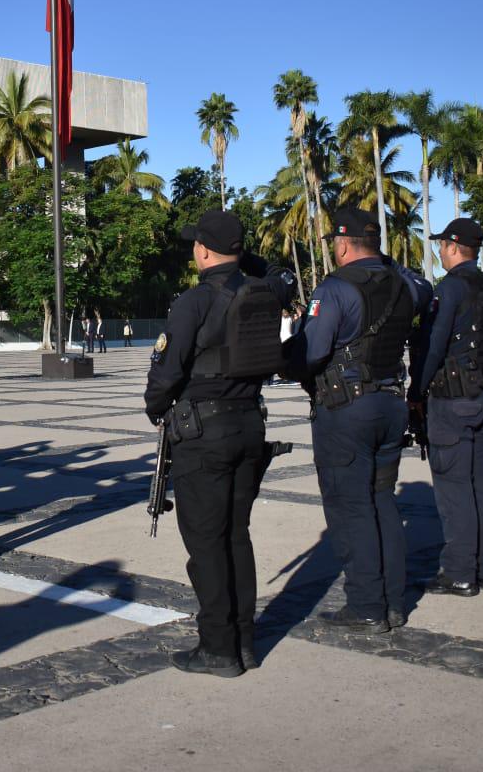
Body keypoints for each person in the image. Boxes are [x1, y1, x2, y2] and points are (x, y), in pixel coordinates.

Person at [148, 210, 296, 674]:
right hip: (249, 425)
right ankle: (244, 641)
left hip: (203, 435)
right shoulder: (267, 291)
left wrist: (155, 407)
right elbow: (280, 274)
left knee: (207, 545)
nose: (193, 249)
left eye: (197, 243)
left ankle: (217, 647)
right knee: (236, 538)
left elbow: (167, 375)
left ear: (204, 250)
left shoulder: (193, 301)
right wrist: (240, 257)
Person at [290, 207, 423, 636]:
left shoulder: (335, 289)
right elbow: (427, 294)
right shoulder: (404, 285)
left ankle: (367, 604)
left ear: (343, 245)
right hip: (390, 403)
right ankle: (393, 602)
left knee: (352, 506)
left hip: (347, 409)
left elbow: (311, 354)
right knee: (382, 500)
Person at [416, 217, 483, 596]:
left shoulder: (451, 288)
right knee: (481, 484)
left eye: (442, 245)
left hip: (455, 398)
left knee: (455, 489)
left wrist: (416, 391)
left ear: (453, 247)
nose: (439, 251)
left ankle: (458, 572)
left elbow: (434, 345)